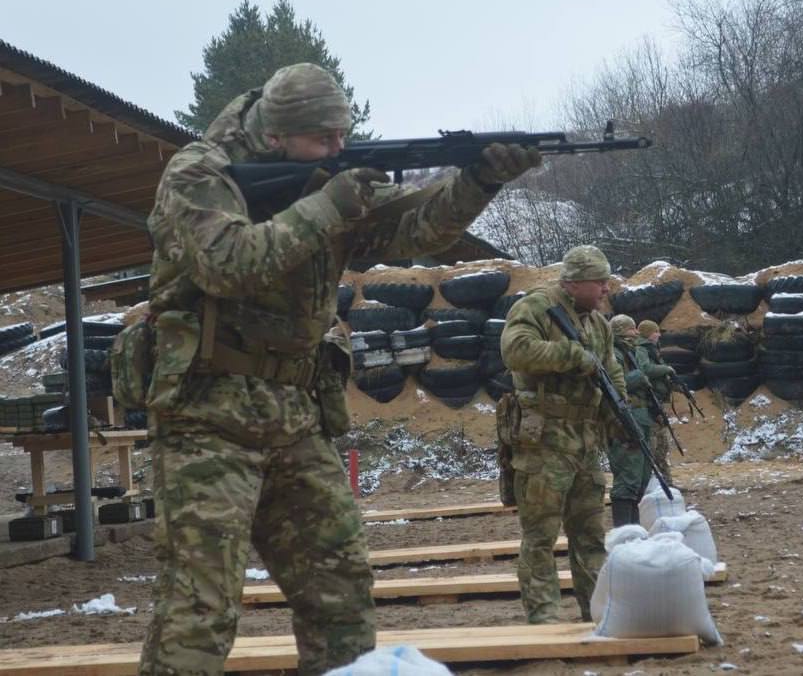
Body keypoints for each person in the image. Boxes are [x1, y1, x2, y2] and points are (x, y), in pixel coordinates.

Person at [137, 63, 540, 675]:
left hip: (295, 413)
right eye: (324, 139)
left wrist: (480, 179)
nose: (339, 149)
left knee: (340, 588)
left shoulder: (321, 175)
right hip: (207, 415)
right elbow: (228, 264)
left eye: (342, 135)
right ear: (276, 138)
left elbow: (415, 228)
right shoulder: (200, 174)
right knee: (200, 605)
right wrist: (327, 205)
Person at [499, 245, 625, 624]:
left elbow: (611, 372)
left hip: (584, 440)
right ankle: (545, 619)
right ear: (572, 282)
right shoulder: (537, 307)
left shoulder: (599, 324)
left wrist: (621, 415)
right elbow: (515, 350)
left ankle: (600, 612)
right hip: (544, 440)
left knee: (589, 535)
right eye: (599, 281)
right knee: (540, 536)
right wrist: (571, 356)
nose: (606, 289)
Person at [607, 315, 675, 525]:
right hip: (624, 421)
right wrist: (637, 378)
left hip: (641, 418)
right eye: (631, 329)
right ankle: (624, 531)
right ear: (620, 331)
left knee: (642, 476)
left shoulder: (630, 353)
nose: (636, 333)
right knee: (628, 478)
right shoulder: (613, 355)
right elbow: (610, 385)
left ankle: (634, 528)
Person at [636, 318, 675, 483]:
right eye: (655, 332)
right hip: (648, 402)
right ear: (648, 334)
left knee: (662, 445)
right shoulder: (641, 350)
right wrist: (666, 369)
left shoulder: (651, 349)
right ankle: (655, 484)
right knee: (655, 445)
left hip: (656, 401)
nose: (658, 335)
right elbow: (644, 369)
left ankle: (667, 483)